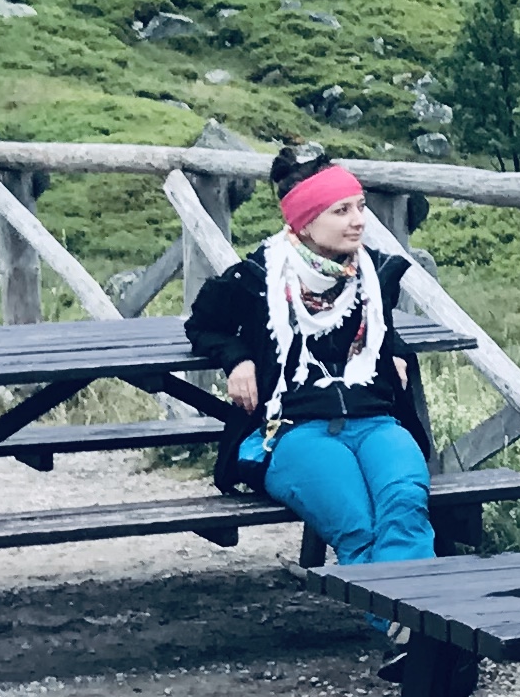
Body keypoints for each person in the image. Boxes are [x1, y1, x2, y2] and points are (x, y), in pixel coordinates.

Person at [185, 149, 438, 571]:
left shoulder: (375, 275)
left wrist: (391, 349)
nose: (358, 220)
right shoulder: (257, 279)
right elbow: (203, 326)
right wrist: (238, 360)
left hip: (375, 420)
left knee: (405, 507)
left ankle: (410, 609)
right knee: (357, 525)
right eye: (341, 211)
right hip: (294, 429)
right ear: (304, 222)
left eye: (360, 206)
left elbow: (373, 327)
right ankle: (404, 609)